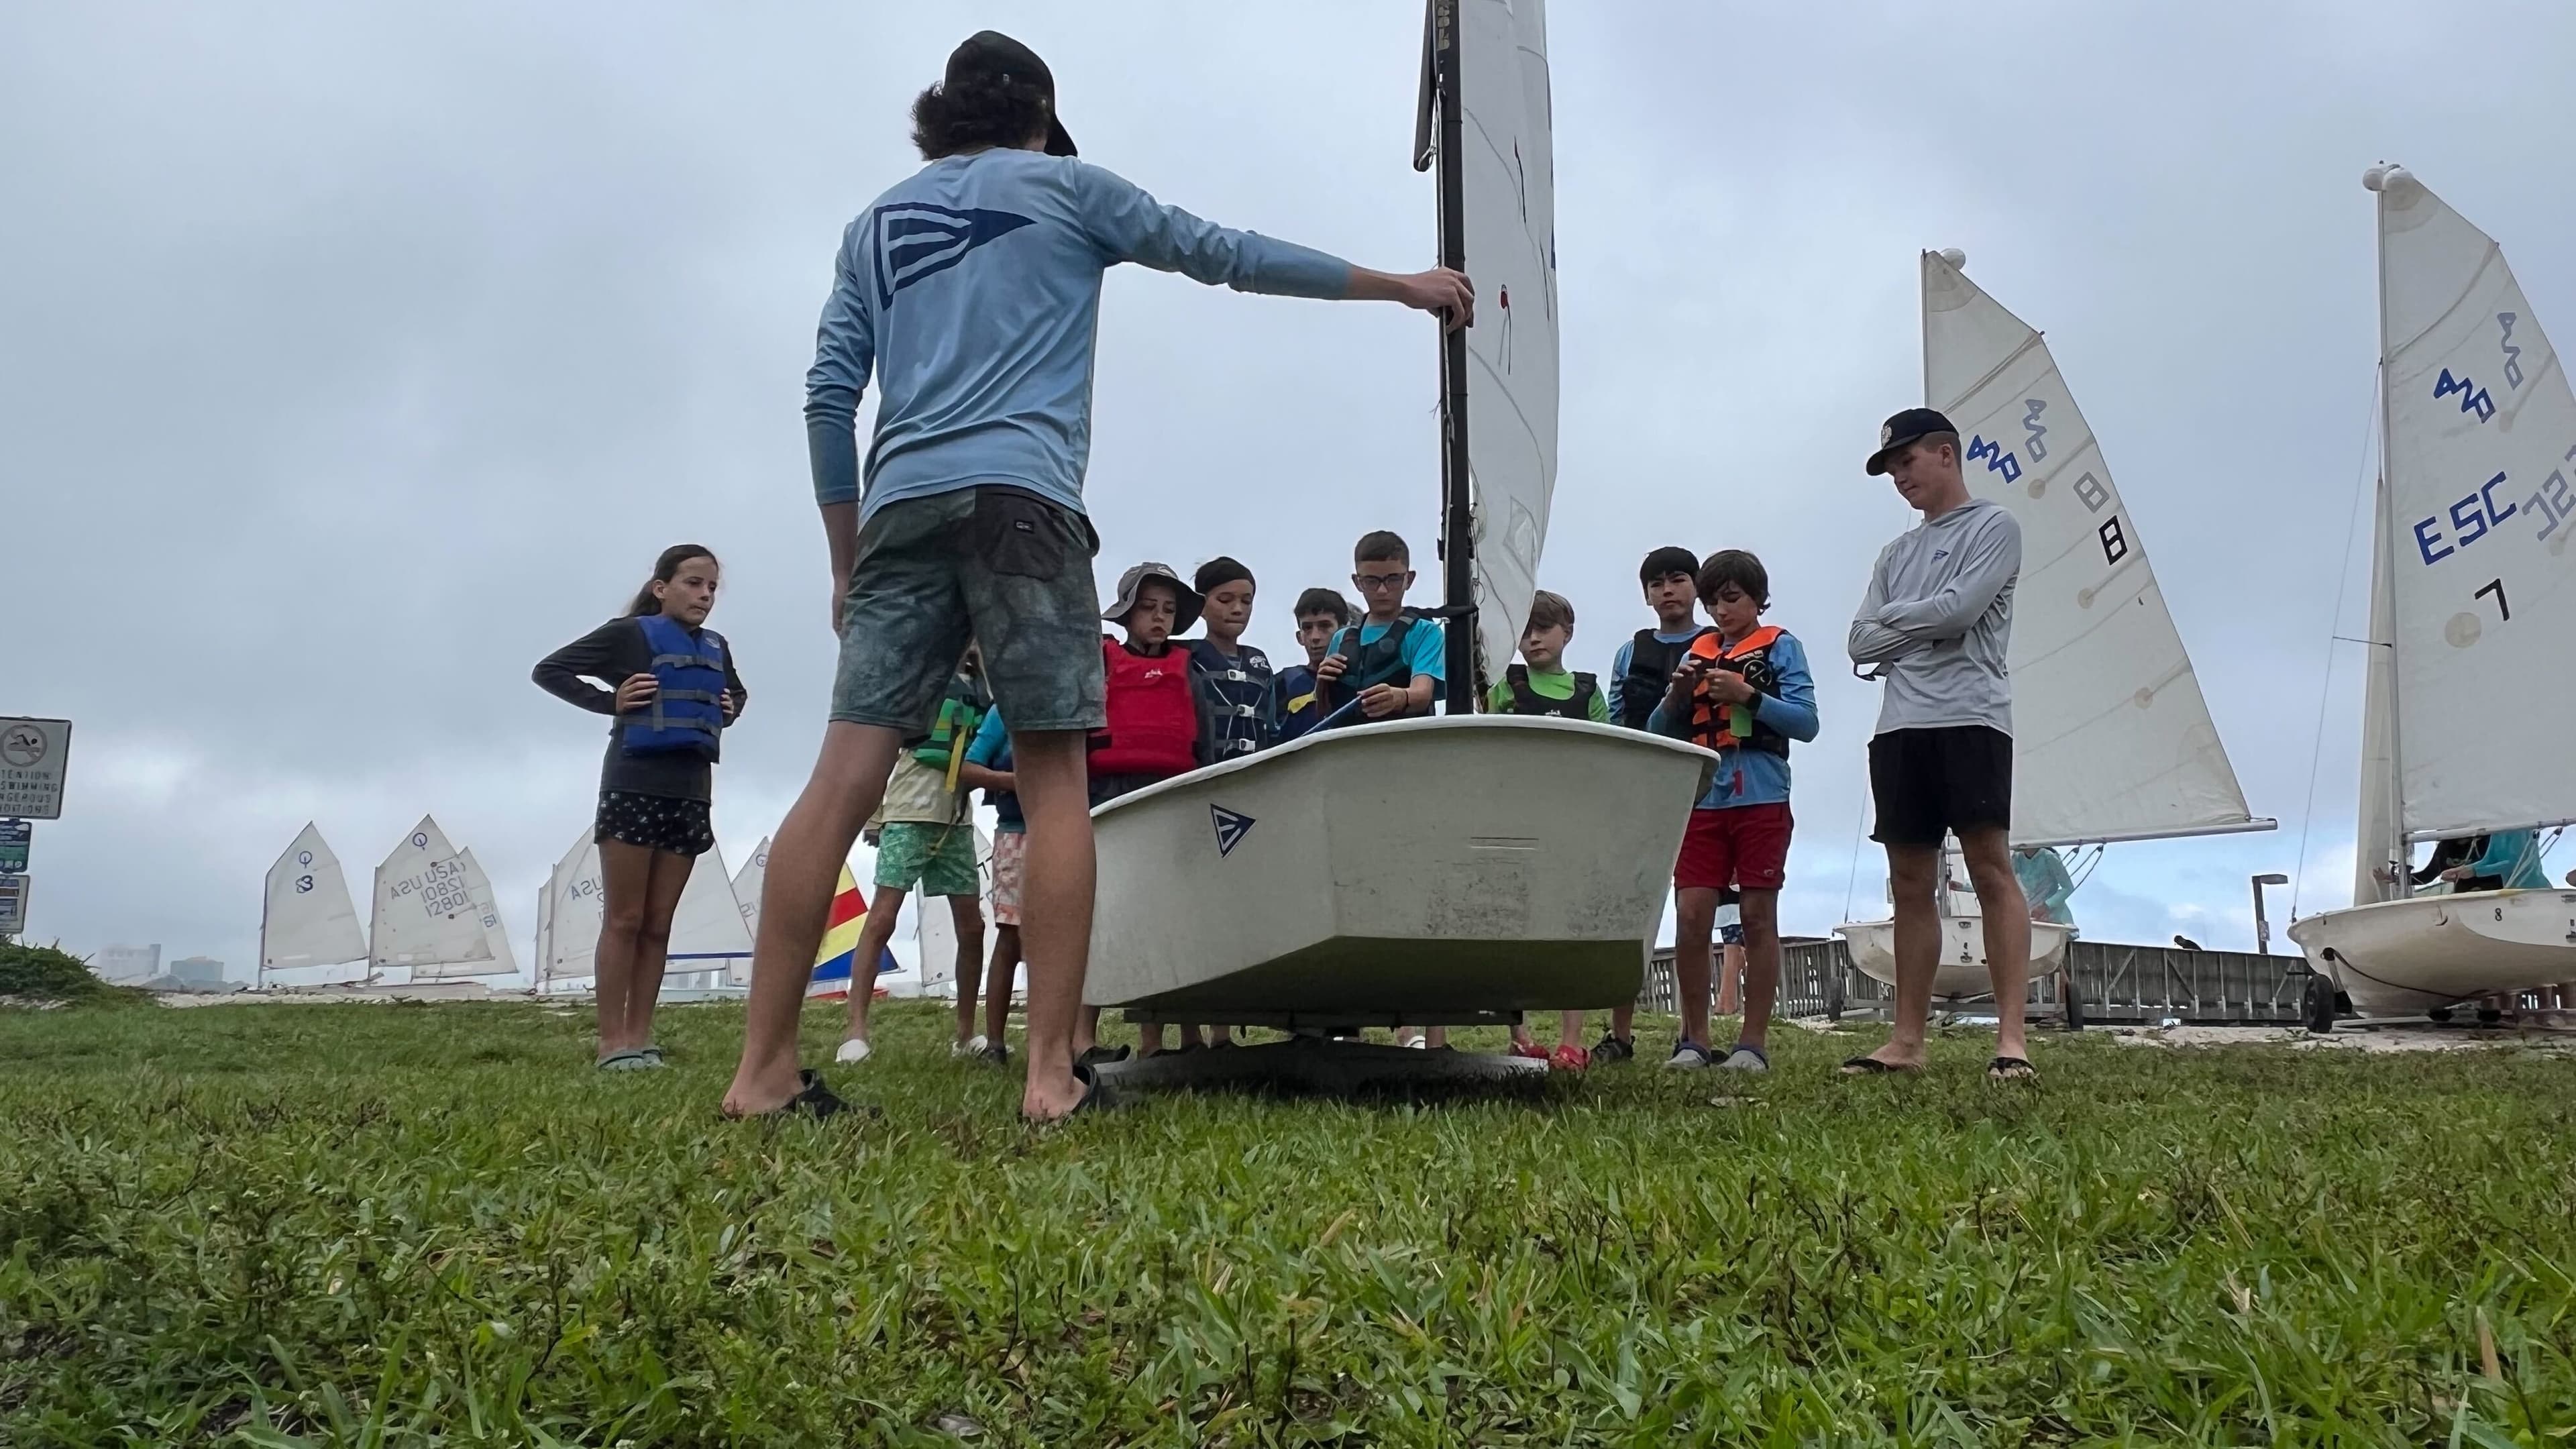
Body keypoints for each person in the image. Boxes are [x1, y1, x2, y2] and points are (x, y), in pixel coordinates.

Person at [722, 30, 1474, 1122]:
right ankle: (1048, 1080)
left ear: (943, 116)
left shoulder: (872, 225)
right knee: (1056, 778)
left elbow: (828, 396)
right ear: (1037, 120)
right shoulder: (1067, 189)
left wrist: (846, 558)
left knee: (842, 779)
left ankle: (761, 1074)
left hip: (896, 511)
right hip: (1025, 505)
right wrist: (1399, 286)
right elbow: (1228, 252)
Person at [1845, 407, 2033, 1081]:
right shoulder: (1895, 554)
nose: (1900, 476)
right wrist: (1923, 622)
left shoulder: (1995, 526)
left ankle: (2011, 1040)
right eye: (1892, 467)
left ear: (1946, 453)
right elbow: (1859, 642)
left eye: (1908, 461)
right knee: (1909, 881)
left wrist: (1904, 621)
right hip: (1900, 728)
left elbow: (1961, 612)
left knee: (1989, 868)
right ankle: (1906, 1041)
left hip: (1973, 717)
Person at [533, 545, 746, 1071]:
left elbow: (736, 696)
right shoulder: (627, 634)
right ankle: (611, 1045)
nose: (704, 595)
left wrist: (729, 708)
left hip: (692, 791)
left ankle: (641, 1037)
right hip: (633, 786)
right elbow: (550, 670)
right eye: (694, 583)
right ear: (662, 587)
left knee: (658, 923)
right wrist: (609, 701)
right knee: (625, 918)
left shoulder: (717, 646)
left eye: (712, 588)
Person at [1648, 550, 1819, 1072]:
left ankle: (1752, 1044)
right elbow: (1656, 732)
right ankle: (1694, 1040)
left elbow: (1807, 723)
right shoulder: (1696, 653)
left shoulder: (1783, 647)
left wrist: (1749, 696)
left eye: (1732, 599)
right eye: (1713, 601)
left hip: (1763, 796)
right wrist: (1677, 697)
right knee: (1692, 915)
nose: (1721, 611)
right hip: (1704, 799)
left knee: (1757, 917)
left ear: (1756, 598)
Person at [1317, 530, 1448, 1046]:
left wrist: (1398, 697)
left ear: (1409, 578)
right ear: (1357, 581)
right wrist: (1323, 681)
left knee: (1412, 892)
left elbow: (1423, 691)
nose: (1383, 590)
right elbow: (1326, 715)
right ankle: (1344, 1020)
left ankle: (1416, 1027)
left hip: (1407, 772)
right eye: (1372, 581)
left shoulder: (1424, 632)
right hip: (1351, 780)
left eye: (1392, 579)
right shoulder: (1341, 639)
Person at [836, 661, 989, 1065]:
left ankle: (965, 1034)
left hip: (956, 820)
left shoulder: (984, 686)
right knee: (883, 917)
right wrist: (875, 813)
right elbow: (884, 745)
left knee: (972, 927)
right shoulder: (924, 675)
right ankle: (855, 1032)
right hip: (907, 813)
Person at [1087, 561, 1211, 1062]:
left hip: (1172, 796)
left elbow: (1206, 743)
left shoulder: (1188, 670)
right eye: (1148, 608)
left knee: (1175, 920)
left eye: (1168, 610)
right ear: (1127, 615)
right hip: (1111, 799)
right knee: (1104, 917)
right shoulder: (1099, 662)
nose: (1159, 618)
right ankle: (1090, 1038)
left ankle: (1187, 1036)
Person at [1592, 546, 1710, 1062]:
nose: (1668, 590)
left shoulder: (1717, 644)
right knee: (1633, 910)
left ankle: (1692, 1033)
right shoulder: (1629, 651)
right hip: (1641, 789)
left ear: (1696, 586)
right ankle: (1620, 1034)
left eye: (1678, 579)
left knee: (1694, 913)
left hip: (1705, 791)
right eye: (1657, 583)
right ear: (1646, 595)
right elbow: (1619, 718)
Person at [1487, 590, 1607, 1069]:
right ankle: (1519, 1035)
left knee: (1569, 932)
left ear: (1568, 633)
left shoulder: (1588, 690)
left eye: (1543, 628)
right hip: (1513, 821)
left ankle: (1571, 1041)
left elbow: (1605, 755)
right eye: (1524, 629)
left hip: (1571, 825)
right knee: (1510, 926)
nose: (1533, 638)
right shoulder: (1503, 684)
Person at [1184, 555, 1271, 1048]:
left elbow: (1273, 726)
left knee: (1232, 910)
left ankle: (1222, 1031)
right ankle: (1189, 1028)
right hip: (1200, 789)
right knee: (1197, 908)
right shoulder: (1188, 658)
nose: (1238, 609)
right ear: (1202, 605)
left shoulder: (1260, 661)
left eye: (1247, 601)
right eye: (1226, 600)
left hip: (1250, 792)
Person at [959, 703, 1022, 1065]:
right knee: (1011, 935)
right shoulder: (1004, 710)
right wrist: (1014, 782)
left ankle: (1073, 1043)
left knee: (1067, 938)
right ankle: (995, 1043)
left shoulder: (1078, 700)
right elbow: (968, 768)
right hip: (1016, 834)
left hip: (1068, 830)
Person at [1270, 588, 1353, 743]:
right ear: (1299, 637)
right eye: (1307, 628)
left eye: (1324, 626)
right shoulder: (1282, 683)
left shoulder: (1360, 676)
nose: (1315, 637)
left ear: (1344, 631)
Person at [2015, 847, 2077, 926]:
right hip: (2030, 915)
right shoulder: (2016, 858)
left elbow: (2068, 888)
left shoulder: (2049, 857)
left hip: (2056, 916)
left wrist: (2046, 905)